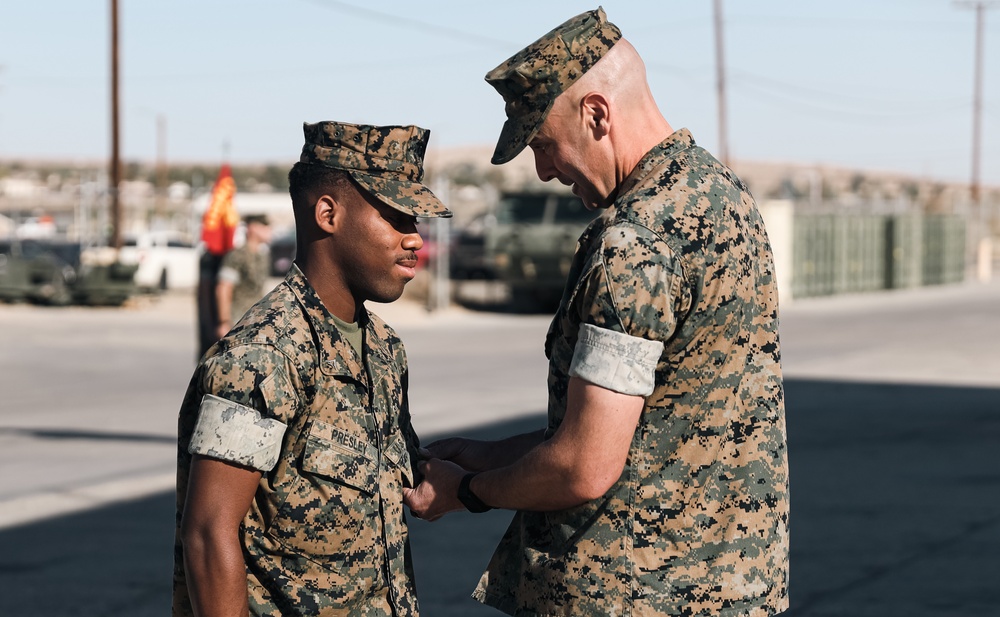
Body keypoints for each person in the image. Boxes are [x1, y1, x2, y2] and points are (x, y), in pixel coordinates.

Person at [403, 8, 789, 617]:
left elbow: (584, 465)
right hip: (731, 587)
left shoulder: (634, 244)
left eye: (544, 145)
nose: (545, 171)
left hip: (635, 595)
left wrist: (465, 492)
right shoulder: (722, 196)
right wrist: (482, 453)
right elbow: (651, 427)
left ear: (596, 114)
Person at [173, 120, 452, 617]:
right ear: (328, 213)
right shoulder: (264, 355)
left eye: (416, 221)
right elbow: (208, 533)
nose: (414, 238)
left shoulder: (384, 348)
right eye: (397, 218)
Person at [215, 213, 273, 340]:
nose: (270, 231)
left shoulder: (263, 256)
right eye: (265, 226)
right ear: (253, 228)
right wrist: (224, 322)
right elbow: (224, 288)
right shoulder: (237, 256)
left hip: (257, 320)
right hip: (238, 321)